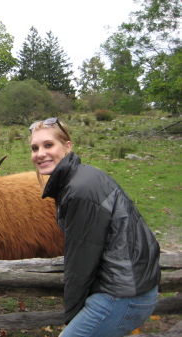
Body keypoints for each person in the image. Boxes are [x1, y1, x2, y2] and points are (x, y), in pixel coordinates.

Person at [29, 117, 161, 337]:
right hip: (132, 286)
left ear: (68, 146)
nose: (40, 153)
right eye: (35, 148)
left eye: (48, 145)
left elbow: (81, 262)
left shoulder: (80, 190)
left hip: (123, 295)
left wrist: (72, 316)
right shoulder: (82, 177)